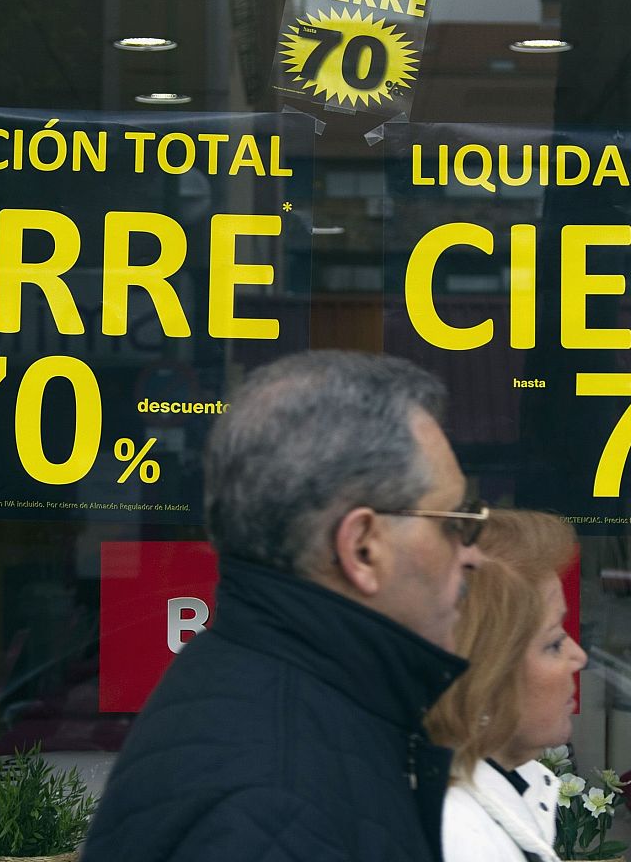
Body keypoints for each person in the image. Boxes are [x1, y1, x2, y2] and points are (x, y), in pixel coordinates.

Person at [81, 350, 487, 862]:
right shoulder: (275, 800)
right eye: (454, 522)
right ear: (363, 547)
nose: (473, 554)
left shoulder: (265, 684)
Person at [425, 510, 588, 862]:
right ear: (485, 677)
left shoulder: (500, 795)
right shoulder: (461, 838)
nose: (579, 657)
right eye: (554, 643)